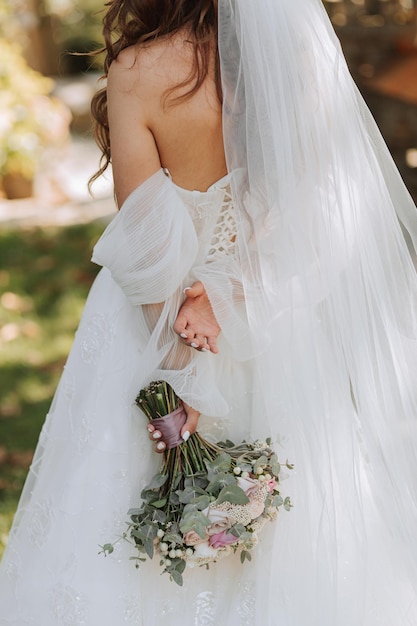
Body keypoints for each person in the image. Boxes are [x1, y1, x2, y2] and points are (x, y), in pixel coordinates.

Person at [2, 0, 417, 624]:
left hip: (153, 325)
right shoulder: (298, 61)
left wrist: (176, 375)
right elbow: (320, 214)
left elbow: (148, 250)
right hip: (277, 329)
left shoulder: (137, 69)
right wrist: (235, 294)